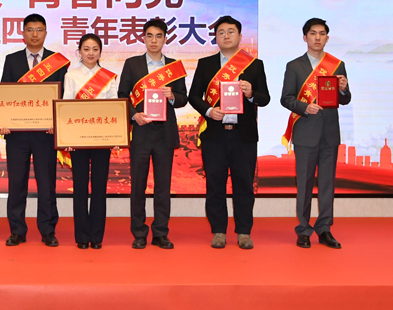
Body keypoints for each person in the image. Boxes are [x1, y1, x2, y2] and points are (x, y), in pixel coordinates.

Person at [188, 15, 270, 250]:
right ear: (216, 37)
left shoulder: (254, 65)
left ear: (240, 36)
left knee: (244, 185)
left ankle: (244, 232)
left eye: (231, 31)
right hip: (215, 135)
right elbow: (194, 96)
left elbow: (265, 98)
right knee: (215, 185)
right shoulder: (206, 64)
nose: (226, 36)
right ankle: (219, 231)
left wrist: (251, 93)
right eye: (221, 32)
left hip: (244, 136)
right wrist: (209, 111)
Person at [117, 18, 188, 250]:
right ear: (144, 38)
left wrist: (172, 96)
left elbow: (183, 98)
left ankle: (160, 233)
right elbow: (122, 95)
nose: (154, 40)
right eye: (149, 36)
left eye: (158, 36)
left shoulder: (174, 67)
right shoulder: (132, 64)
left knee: (163, 186)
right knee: (138, 185)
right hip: (141, 131)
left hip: (164, 133)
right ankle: (139, 232)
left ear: (165, 39)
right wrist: (134, 115)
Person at [280, 18, 351, 249]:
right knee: (304, 184)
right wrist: (304, 107)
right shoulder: (294, 66)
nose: (317, 37)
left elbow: (345, 99)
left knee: (328, 184)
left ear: (327, 38)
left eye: (322, 34)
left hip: (330, 133)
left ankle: (324, 229)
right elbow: (286, 98)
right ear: (305, 37)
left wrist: (343, 89)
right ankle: (303, 230)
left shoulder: (337, 65)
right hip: (305, 133)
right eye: (313, 33)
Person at [0, 13, 70, 247]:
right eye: (30, 29)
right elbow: (4, 95)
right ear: (23, 33)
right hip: (17, 135)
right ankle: (17, 230)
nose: (35, 34)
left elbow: (63, 97)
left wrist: (56, 123)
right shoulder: (12, 60)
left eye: (39, 30)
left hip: (45, 134)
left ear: (46, 33)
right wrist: (3, 121)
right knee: (16, 183)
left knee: (47, 184)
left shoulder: (57, 62)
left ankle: (48, 230)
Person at [62, 33, 118, 249]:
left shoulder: (109, 77)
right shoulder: (71, 75)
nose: (91, 53)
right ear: (79, 52)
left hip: (102, 139)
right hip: (78, 139)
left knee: (99, 187)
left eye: (95, 49)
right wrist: (67, 137)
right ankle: (81, 236)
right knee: (80, 187)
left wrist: (116, 137)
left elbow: (114, 108)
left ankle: (97, 236)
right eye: (86, 49)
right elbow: (66, 107)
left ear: (100, 52)